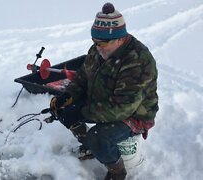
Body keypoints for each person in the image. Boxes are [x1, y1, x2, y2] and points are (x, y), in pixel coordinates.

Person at [49, 2, 159, 180]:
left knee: (99, 138)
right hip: (102, 102)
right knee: (63, 111)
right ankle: (90, 147)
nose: (97, 47)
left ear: (119, 38)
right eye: (94, 41)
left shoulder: (137, 61)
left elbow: (121, 109)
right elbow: (82, 76)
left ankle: (117, 172)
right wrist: (69, 96)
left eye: (102, 43)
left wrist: (82, 110)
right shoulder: (98, 50)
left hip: (134, 115)